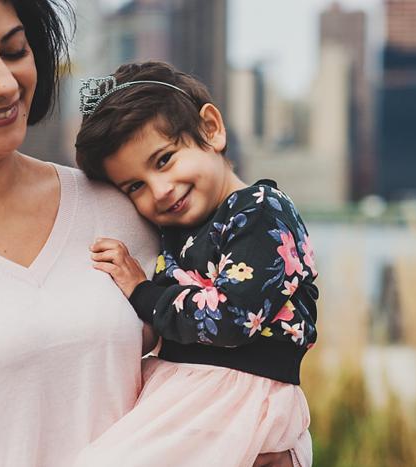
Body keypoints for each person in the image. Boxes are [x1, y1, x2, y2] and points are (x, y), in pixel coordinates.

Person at [0, 1, 306, 465]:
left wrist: (284, 450)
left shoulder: (127, 206)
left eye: (14, 51)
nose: (5, 84)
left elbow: (245, 367)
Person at [74, 61, 319, 467]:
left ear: (211, 129)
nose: (160, 190)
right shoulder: (181, 227)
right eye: (135, 186)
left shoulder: (260, 211)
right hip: (197, 389)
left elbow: (232, 318)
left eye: (164, 160)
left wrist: (141, 291)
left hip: (233, 392)